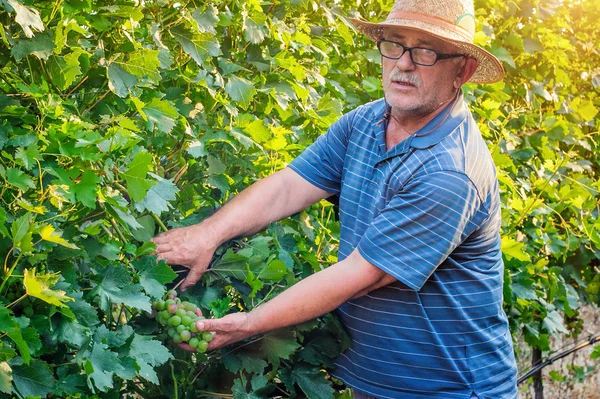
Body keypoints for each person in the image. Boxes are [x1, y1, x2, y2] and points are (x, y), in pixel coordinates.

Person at [151, 0, 518, 397]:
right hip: (374, 382)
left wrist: (250, 323)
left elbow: (362, 275)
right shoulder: (365, 122)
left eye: (426, 51)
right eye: (394, 44)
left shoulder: (451, 171)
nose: (404, 64)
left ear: (461, 70)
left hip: (449, 387)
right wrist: (209, 233)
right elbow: (288, 187)